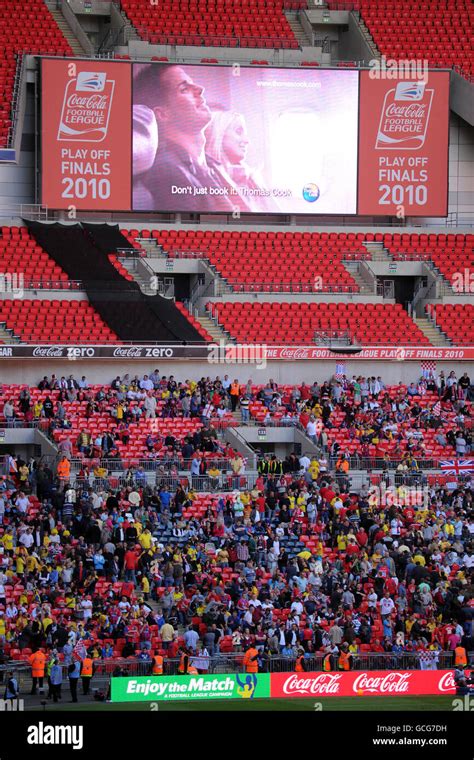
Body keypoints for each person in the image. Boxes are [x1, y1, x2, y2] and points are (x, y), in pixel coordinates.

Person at [133, 64, 235, 212]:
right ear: (162, 114)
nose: (200, 89)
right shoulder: (167, 171)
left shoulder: (212, 166)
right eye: (184, 89)